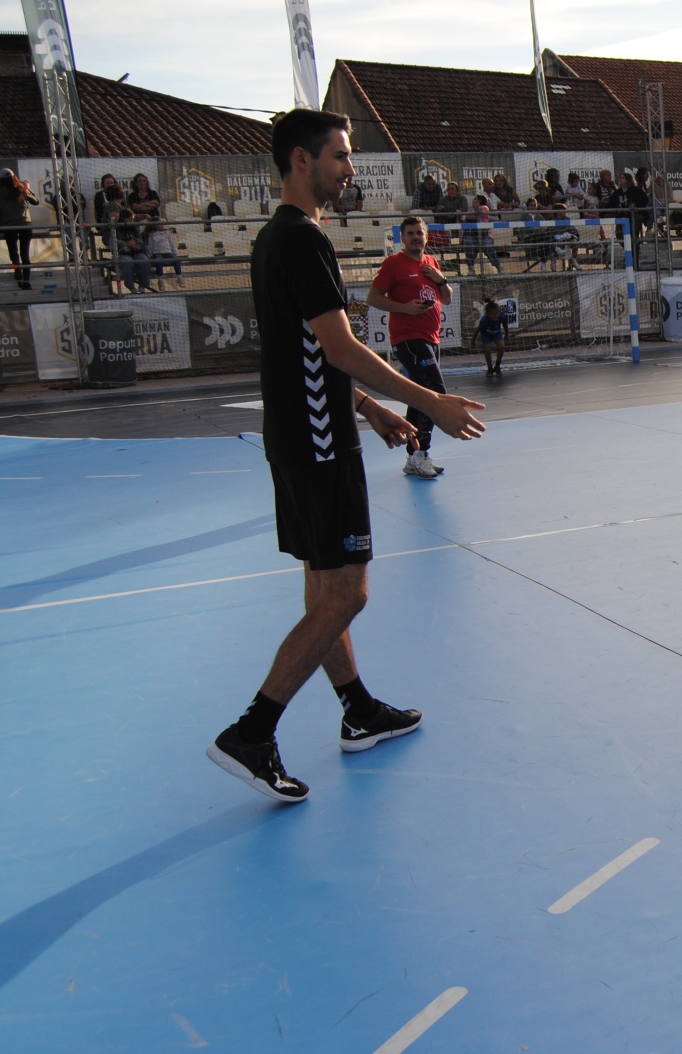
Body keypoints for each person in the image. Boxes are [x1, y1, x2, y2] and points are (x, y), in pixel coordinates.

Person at [207, 108, 485, 803]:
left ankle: (357, 710)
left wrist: (366, 407)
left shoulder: (273, 238)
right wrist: (429, 400)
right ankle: (253, 730)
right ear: (301, 160)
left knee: (322, 584)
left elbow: (300, 350)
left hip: (298, 434)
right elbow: (339, 347)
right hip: (318, 443)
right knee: (348, 592)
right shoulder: (303, 241)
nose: (349, 168)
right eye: (339, 155)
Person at [368, 216, 457, 478]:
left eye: (420, 233)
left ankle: (414, 456)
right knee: (434, 391)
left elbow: (447, 299)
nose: (416, 237)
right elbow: (373, 298)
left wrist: (441, 280)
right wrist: (404, 308)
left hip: (431, 337)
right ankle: (420, 453)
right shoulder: (394, 264)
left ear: (426, 236)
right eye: (411, 233)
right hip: (409, 338)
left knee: (420, 395)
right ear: (403, 238)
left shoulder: (431, 263)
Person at [0, 169, 40, 289]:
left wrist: (3, 223)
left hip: (9, 225)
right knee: (25, 253)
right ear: (14, 177)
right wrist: (27, 188)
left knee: (13, 252)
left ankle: (16, 267)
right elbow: (36, 202)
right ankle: (27, 281)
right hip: (24, 224)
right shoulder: (21, 189)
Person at [476, 298, 509, 376]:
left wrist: (507, 334)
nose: (496, 316)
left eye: (497, 313)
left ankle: (497, 365)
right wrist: (472, 341)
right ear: (488, 314)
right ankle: (490, 368)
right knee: (487, 349)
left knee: (501, 346)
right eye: (494, 314)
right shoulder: (484, 321)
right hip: (486, 333)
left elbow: (505, 325)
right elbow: (477, 330)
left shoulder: (501, 316)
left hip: (496, 332)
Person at [146, 222, 181, 288]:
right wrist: (150, 254)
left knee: (176, 260)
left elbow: (172, 243)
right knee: (158, 261)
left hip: (168, 251)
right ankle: (160, 279)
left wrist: (175, 252)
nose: (162, 225)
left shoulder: (167, 233)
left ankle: (179, 277)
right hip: (157, 252)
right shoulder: (152, 235)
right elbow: (150, 245)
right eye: (159, 224)